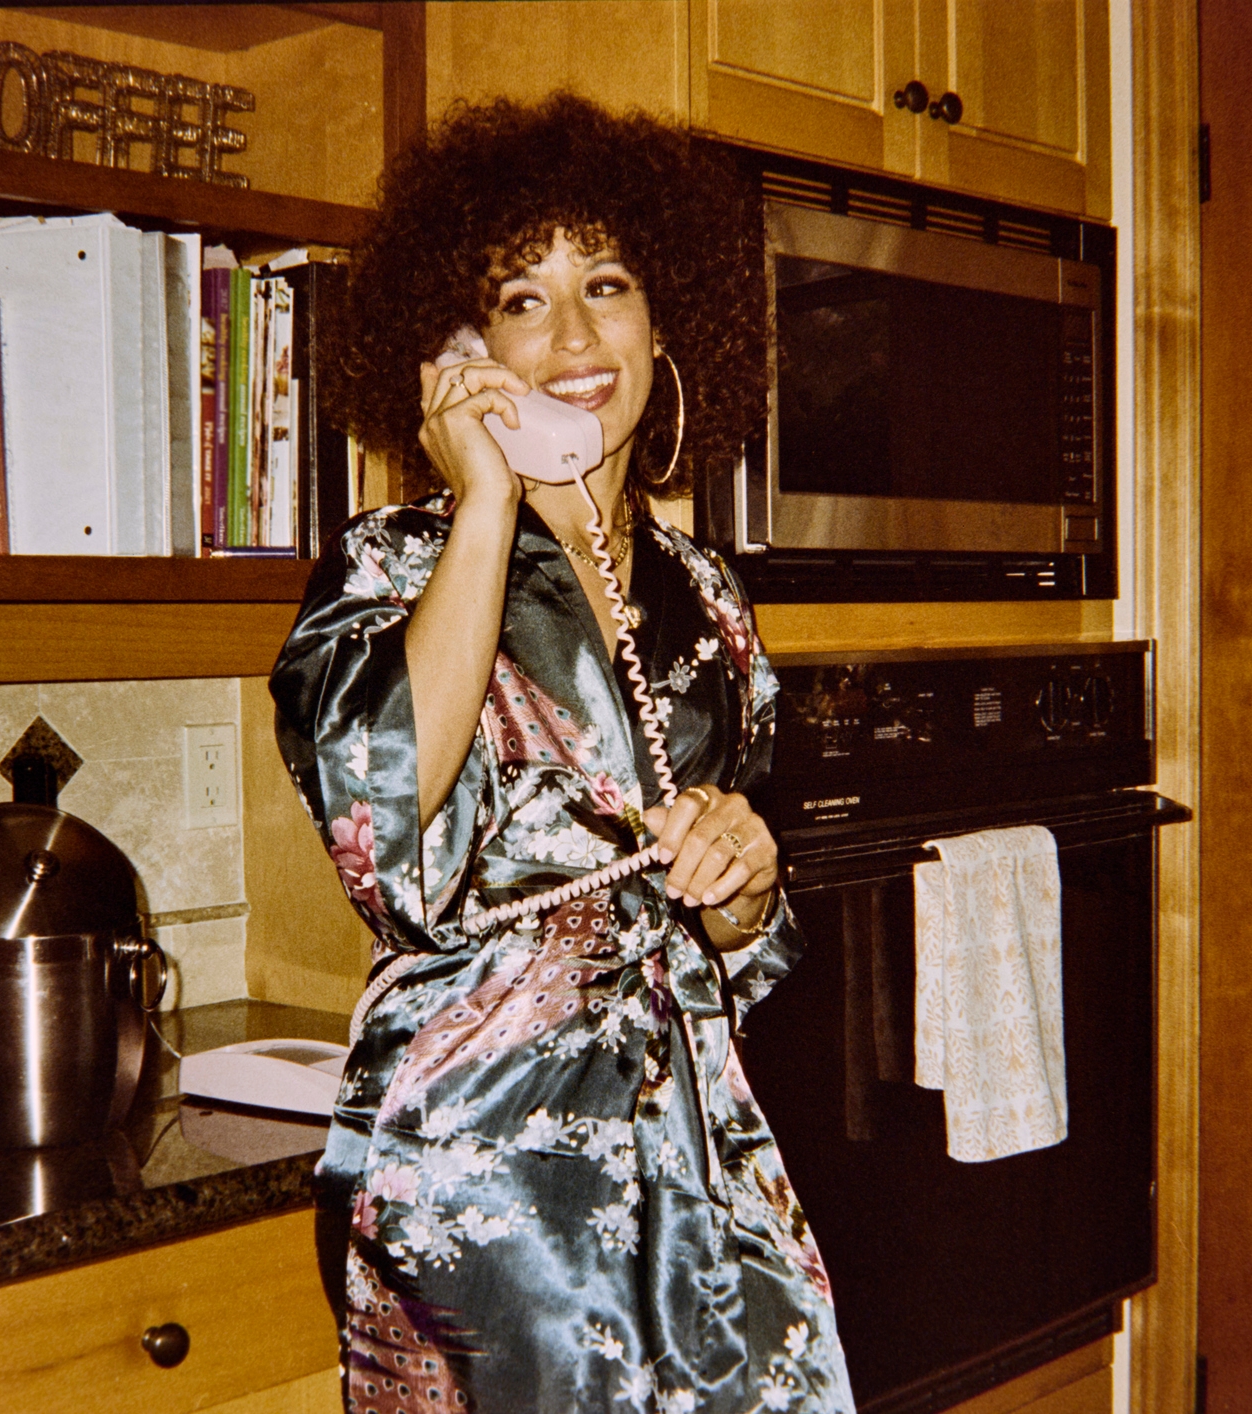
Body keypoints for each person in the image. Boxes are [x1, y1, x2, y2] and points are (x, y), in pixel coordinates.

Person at [269, 93, 854, 1414]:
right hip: (486, 1183)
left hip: (701, 1162)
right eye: (521, 300)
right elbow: (377, 838)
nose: (577, 337)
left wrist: (746, 881)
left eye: (607, 285)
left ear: (666, 319)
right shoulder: (391, 567)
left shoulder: (707, 594)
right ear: (458, 346)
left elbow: (743, 945)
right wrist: (486, 501)